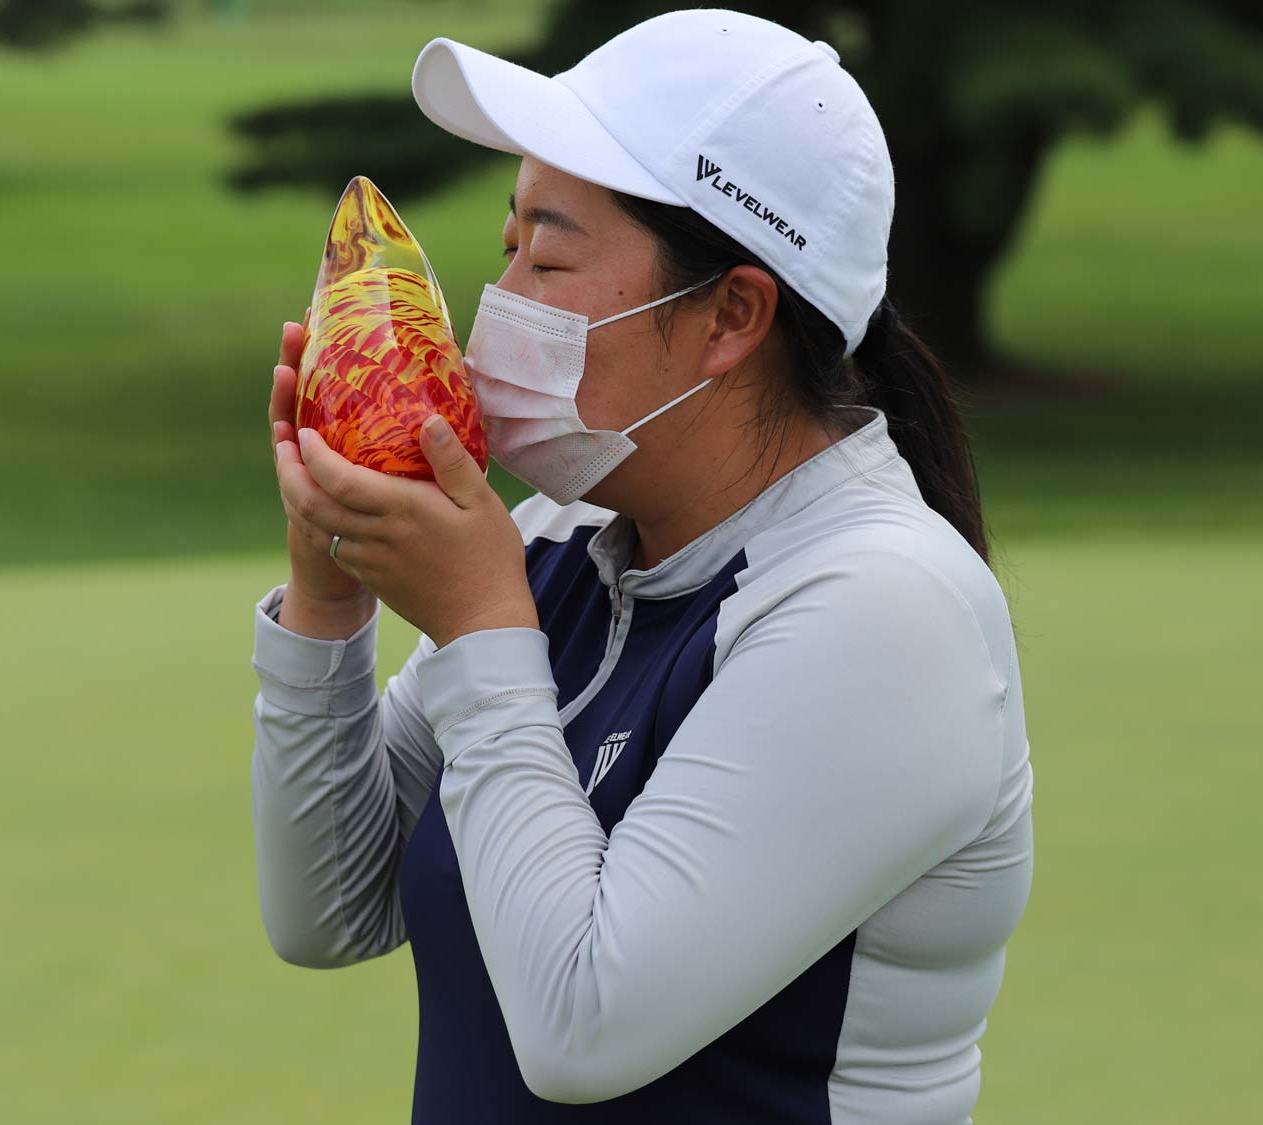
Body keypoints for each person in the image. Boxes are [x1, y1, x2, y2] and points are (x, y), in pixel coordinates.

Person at [249, 10, 1034, 1123]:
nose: (500, 298)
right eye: (506, 244)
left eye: (552, 255)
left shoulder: (883, 609)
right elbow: (325, 909)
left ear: (729, 315)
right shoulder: (560, 549)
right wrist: (331, 588)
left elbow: (582, 1029)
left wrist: (478, 628)